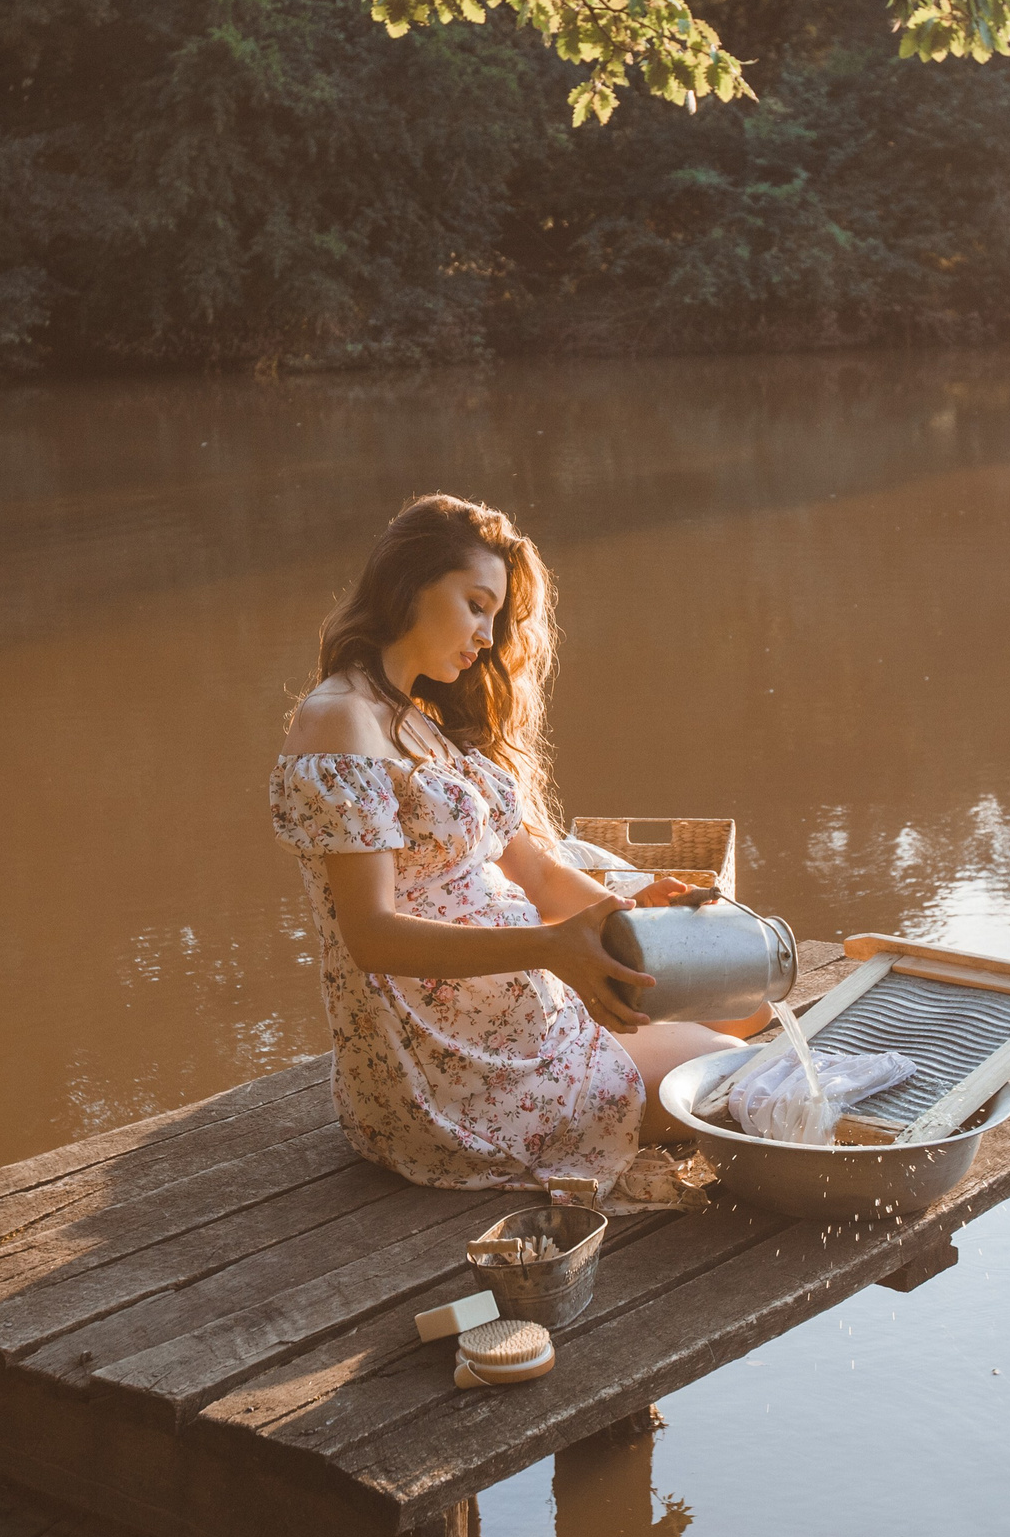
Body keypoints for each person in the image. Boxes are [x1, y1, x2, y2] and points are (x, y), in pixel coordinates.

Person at [269, 493, 740, 1193]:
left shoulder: (416, 715)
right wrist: (550, 948)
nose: (488, 635)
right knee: (732, 1075)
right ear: (410, 583)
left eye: (495, 614)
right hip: (448, 1077)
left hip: (516, 1022)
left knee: (738, 1003)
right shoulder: (341, 723)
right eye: (475, 603)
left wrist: (633, 911)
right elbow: (371, 935)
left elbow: (541, 877)